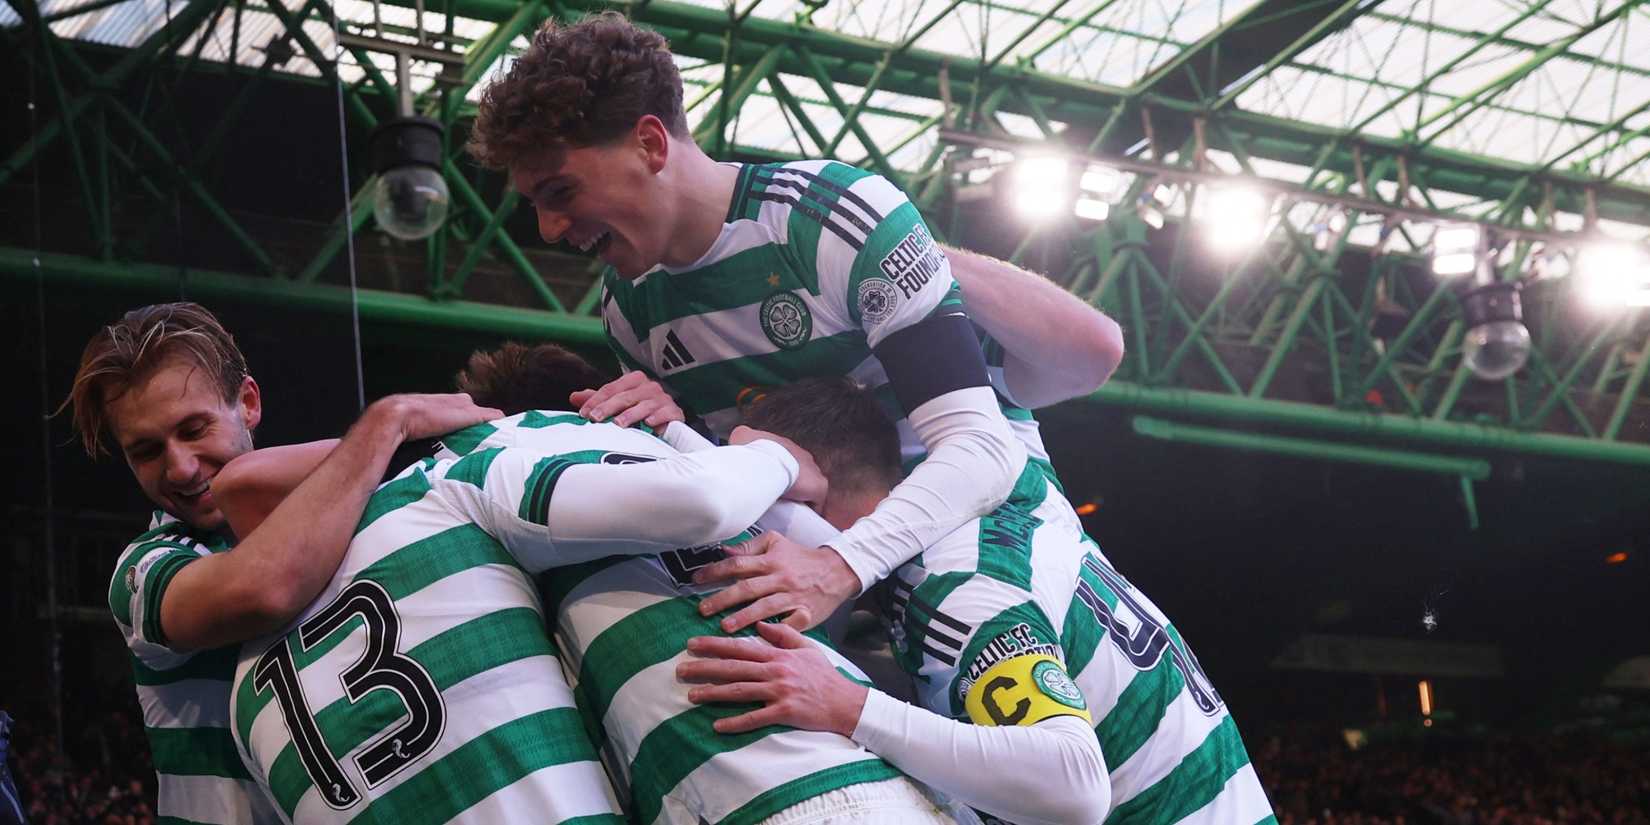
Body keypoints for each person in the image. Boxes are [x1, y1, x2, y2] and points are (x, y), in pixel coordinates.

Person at [467, 11, 1124, 634]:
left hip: (994, 549)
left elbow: (983, 452)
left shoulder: (831, 217)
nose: (550, 228)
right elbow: (757, 486)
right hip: (856, 595)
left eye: (559, 192)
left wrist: (836, 568)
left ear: (649, 143)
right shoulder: (628, 308)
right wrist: (668, 432)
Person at [219, 341, 956, 825]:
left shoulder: (244, 677)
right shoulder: (520, 463)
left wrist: (398, 430)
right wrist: (772, 458)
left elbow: (241, 484)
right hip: (823, 788)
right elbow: (737, 513)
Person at [679, 378, 1276, 825]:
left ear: (803, 502)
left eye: (764, 516)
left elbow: (1073, 785)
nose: (758, 543)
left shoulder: (954, 588)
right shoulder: (1011, 499)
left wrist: (846, 706)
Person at [65, 302, 501, 824]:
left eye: (194, 428)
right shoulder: (145, 568)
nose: (179, 467)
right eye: (146, 451)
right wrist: (391, 423)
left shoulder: (346, 504)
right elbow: (264, 589)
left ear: (247, 402)